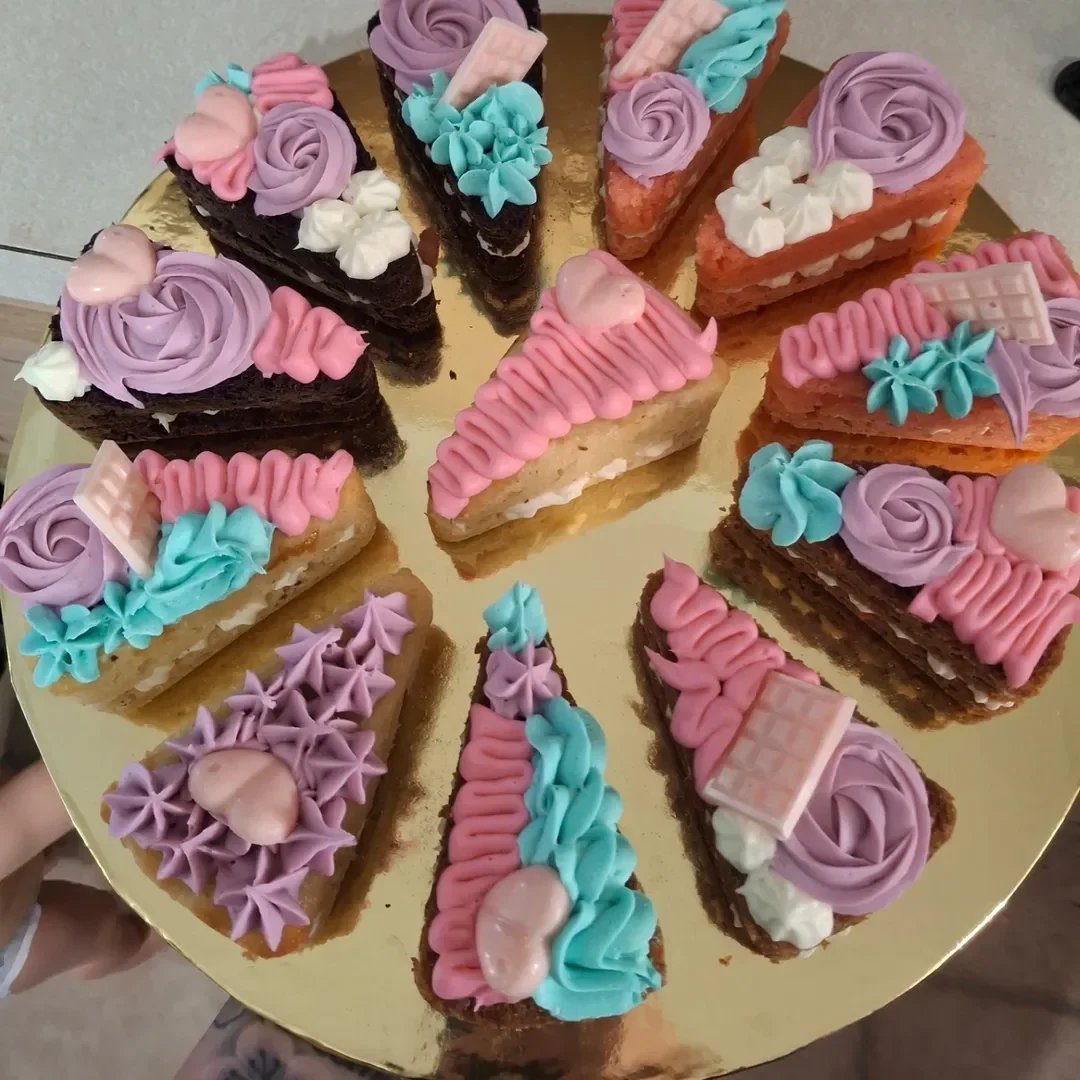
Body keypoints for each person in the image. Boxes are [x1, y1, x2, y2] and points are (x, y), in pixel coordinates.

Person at [0, 674, 160, 998]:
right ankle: (149, 938)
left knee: (29, 817)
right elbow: (29, 816)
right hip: (10, 948)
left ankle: (44, 853)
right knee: (107, 934)